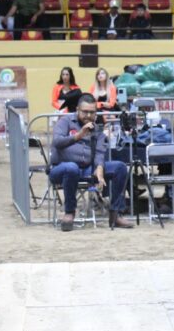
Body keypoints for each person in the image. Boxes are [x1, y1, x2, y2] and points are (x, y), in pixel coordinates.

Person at [49, 94, 132, 230]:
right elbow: (57, 142)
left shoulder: (97, 130)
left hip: (86, 168)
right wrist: (78, 136)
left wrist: (99, 168)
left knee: (120, 167)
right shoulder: (65, 121)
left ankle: (116, 214)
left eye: (92, 112)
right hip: (61, 168)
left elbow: (100, 152)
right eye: (85, 112)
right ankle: (69, 212)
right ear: (77, 110)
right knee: (71, 167)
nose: (88, 115)